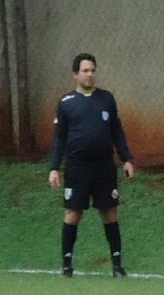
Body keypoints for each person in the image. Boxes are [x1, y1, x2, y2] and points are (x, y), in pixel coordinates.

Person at [48, 52, 134, 277]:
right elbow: (59, 138)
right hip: (77, 167)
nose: (90, 74)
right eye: (85, 70)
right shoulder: (66, 103)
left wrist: (126, 159)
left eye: (93, 70)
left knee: (110, 212)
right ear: (75, 74)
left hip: (104, 166)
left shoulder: (106, 99)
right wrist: (54, 167)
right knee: (73, 213)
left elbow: (116, 131)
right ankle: (67, 265)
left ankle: (117, 265)